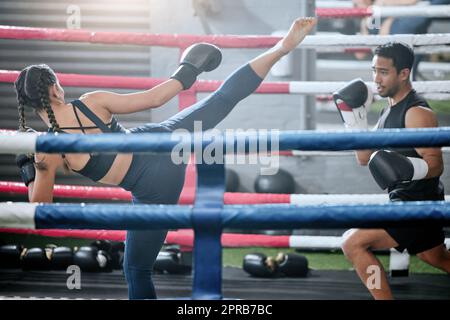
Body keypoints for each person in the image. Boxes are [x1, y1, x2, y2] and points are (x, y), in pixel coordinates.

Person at [13, 17, 317, 299]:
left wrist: (28, 166)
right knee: (222, 100)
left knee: (136, 270)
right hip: (165, 142)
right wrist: (188, 70)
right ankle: (282, 47)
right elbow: (157, 97)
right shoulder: (90, 102)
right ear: (55, 88)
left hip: (154, 190)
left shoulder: (47, 149)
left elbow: (41, 209)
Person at [334, 42, 450, 300]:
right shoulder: (388, 110)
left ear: (404, 73)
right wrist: (356, 122)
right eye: (374, 70)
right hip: (408, 202)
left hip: (415, 206)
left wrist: (408, 169)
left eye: (384, 72)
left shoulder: (416, 112)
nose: (376, 78)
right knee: (435, 256)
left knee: (353, 243)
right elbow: (364, 158)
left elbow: (436, 164)